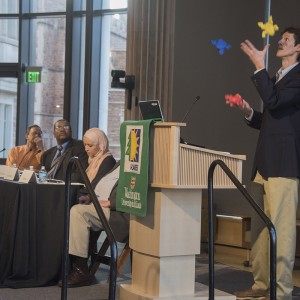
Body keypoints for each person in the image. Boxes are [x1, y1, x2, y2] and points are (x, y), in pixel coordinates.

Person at [228, 27, 300, 300]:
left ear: (298, 48)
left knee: (281, 232)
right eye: (281, 38)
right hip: (264, 164)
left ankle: (281, 293)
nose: (280, 41)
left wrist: (259, 66)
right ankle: (261, 285)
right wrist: (248, 112)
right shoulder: (278, 78)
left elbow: (274, 100)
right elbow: (271, 120)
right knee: (260, 230)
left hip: (284, 165)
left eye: (287, 40)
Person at [60, 128, 122, 287]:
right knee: (71, 208)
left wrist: (90, 197)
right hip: (95, 201)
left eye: (90, 145)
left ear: (100, 144)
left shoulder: (107, 160)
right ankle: (70, 263)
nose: (86, 148)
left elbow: (95, 187)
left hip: (108, 208)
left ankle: (80, 268)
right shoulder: (92, 160)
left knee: (77, 212)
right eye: (85, 145)